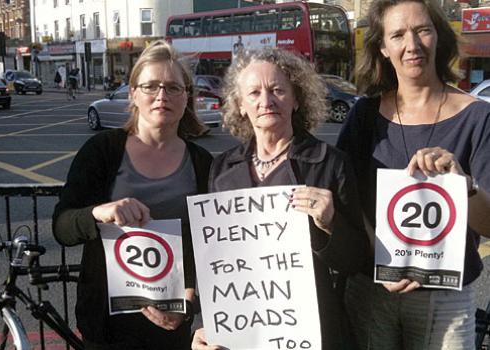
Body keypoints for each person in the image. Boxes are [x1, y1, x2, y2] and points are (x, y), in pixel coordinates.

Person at [191, 48, 369, 350]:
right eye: (254, 93)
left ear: (297, 99)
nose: (266, 101)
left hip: (308, 331)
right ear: (240, 106)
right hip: (240, 332)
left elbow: (356, 259)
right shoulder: (222, 169)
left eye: (277, 90)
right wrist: (201, 324)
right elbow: (212, 261)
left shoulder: (330, 163)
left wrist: (329, 226)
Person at [336, 0, 490, 349]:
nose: (412, 45)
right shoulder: (363, 116)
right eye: (398, 35)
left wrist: (463, 184)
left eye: (423, 30)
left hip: (446, 301)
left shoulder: (479, 118)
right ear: (383, 48)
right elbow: (347, 198)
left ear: (439, 36)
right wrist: (380, 253)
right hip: (372, 292)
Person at [53, 40, 213, 350]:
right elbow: (62, 226)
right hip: (106, 324)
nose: (162, 95)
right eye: (150, 86)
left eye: (173, 88)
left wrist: (187, 307)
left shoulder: (202, 162)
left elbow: (207, 247)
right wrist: (99, 212)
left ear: (186, 98)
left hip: (170, 324)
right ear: (133, 94)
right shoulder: (102, 151)